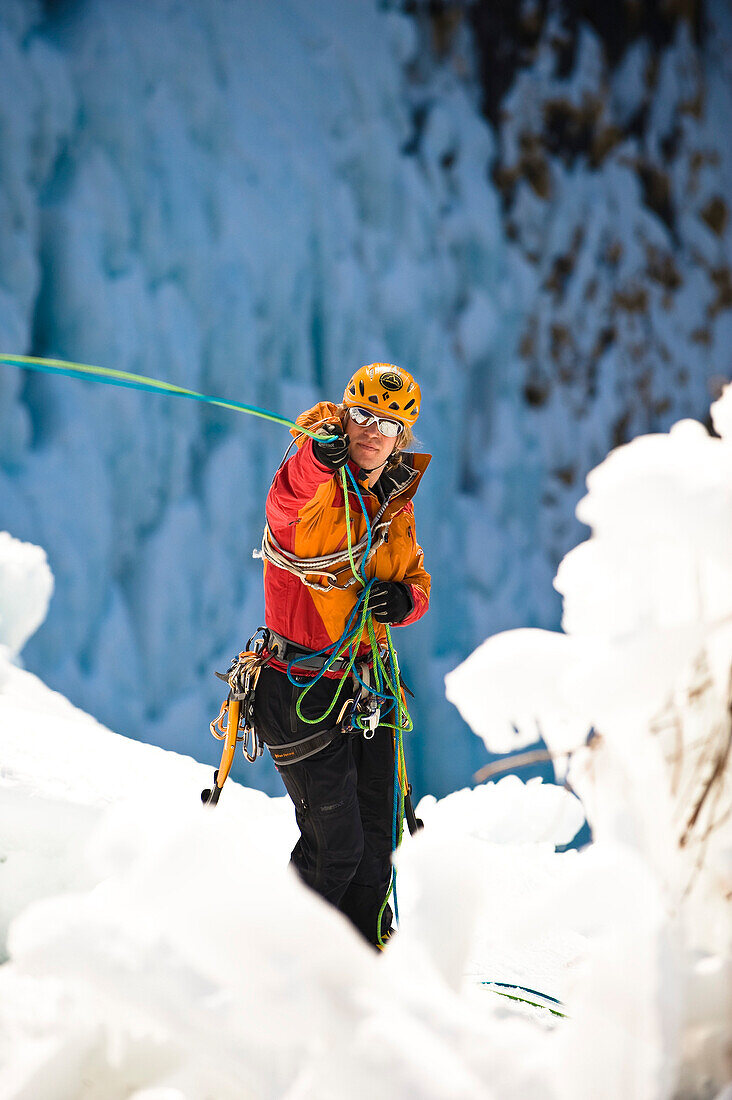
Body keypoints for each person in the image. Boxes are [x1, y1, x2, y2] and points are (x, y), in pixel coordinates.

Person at [252, 362, 431, 947]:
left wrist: (405, 599)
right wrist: (314, 455)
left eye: (389, 424)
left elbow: (416, 579)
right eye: (363, 417)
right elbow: (286, 501)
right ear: (345, 419)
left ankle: (355, 975)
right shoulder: (316, 480)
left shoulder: (393, 501)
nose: (373, 432)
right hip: (298, 684)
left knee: (377, 844)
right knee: (338, 851)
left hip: (362, 688)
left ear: (402, 438)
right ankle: (280, 962)